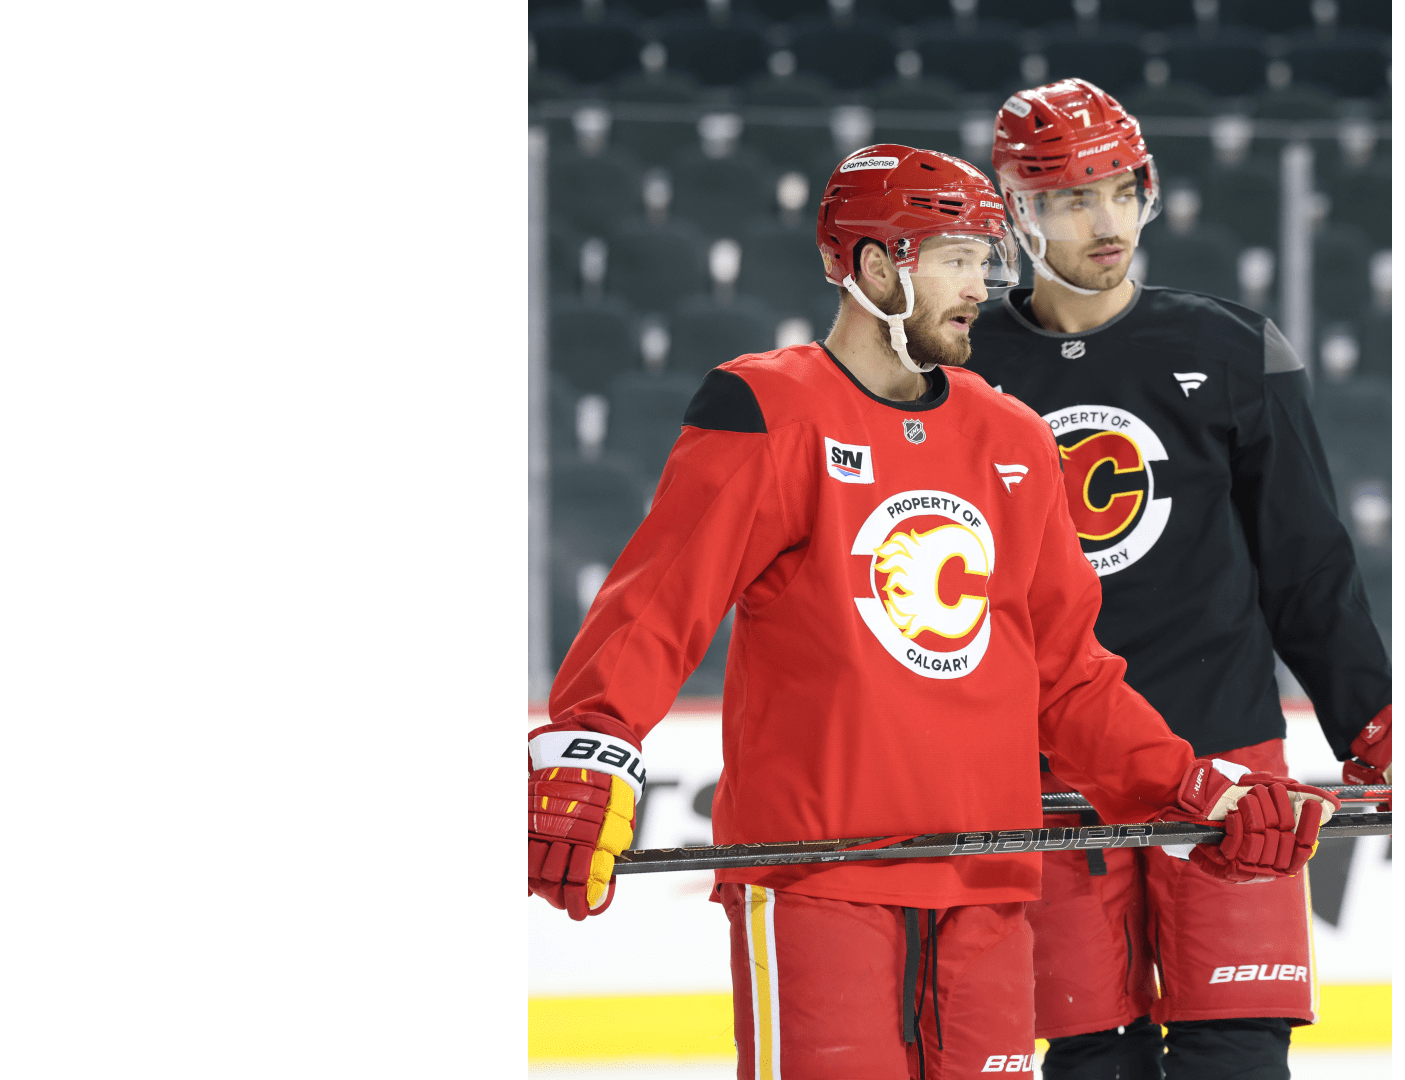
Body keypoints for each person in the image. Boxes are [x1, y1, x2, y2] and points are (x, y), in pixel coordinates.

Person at [526, 143, 1342, 1080]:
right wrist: (592, 742)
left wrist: (1188, 786)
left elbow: (1068, 675)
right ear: (874, 267)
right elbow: (659, 604)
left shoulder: (1012, 435)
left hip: (987, 885)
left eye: (985, 259)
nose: (979, 287)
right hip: (821, 879)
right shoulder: (772, 409)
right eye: (955, 259)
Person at [968, 80, 1395, 1080]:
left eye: (1122, 191)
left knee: (1235, 1054)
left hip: (1228, 758)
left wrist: (1372, 720)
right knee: (1090, 1060)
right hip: (1047, 771)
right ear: (1017, 211)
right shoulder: (958, 362)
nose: (1106, 223)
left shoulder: (1232, 346)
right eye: (1073, 198)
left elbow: (1305, 560)